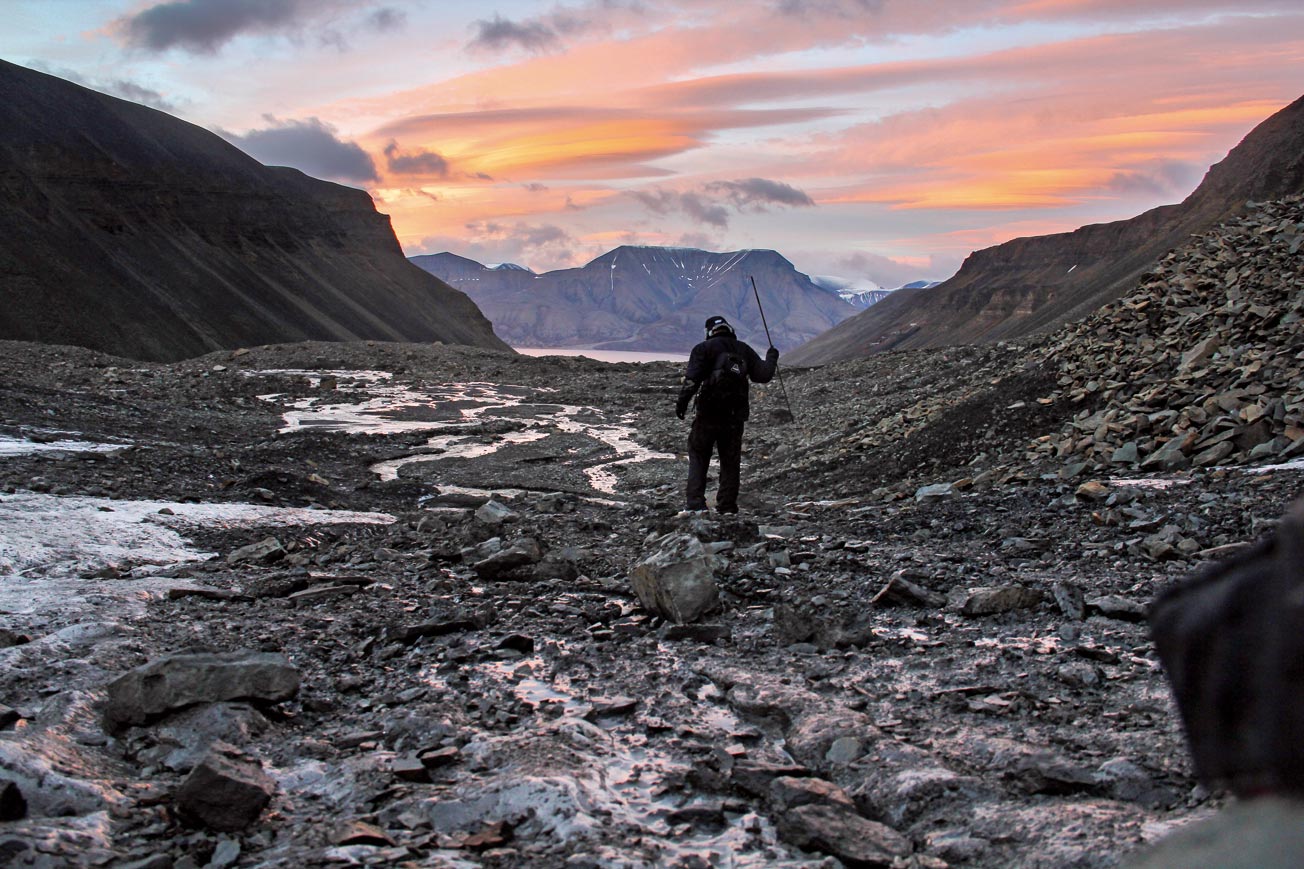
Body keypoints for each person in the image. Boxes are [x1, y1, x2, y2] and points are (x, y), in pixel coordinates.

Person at [675, 315, 779, 513]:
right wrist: (772, 357)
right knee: (730, 461)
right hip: (734, 416)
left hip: (708, 414)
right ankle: (727, 506)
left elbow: (691, 381)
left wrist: (682, 404)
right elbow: (763, 375)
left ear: (708, 332)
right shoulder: (744, 349)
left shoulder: (703, 348)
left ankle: (695, 504)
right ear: (730, 329)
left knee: (699, 455)